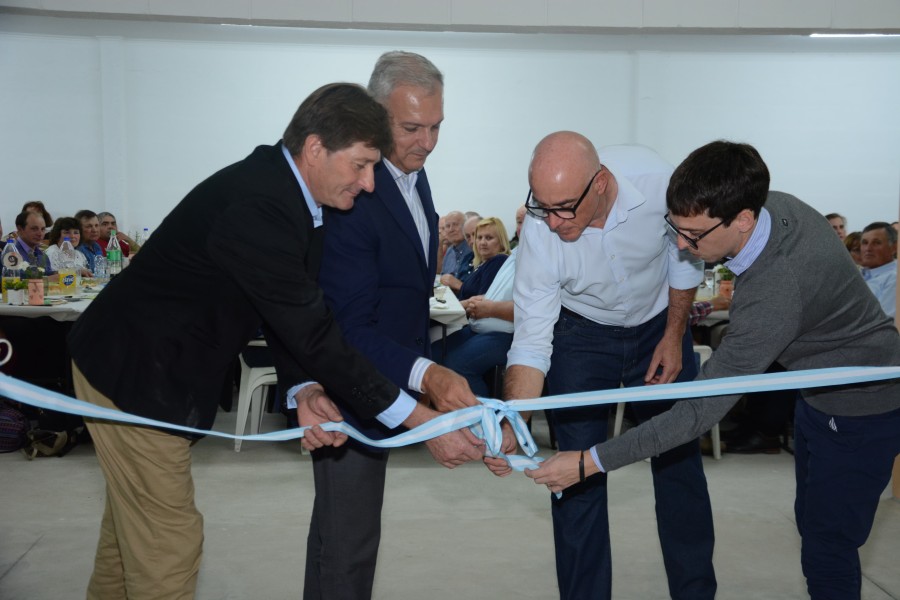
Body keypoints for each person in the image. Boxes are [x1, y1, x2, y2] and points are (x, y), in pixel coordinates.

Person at [66, 82, 482, 600]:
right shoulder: (260, 207)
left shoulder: (292, 195)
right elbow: (316, 331)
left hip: (142, 365)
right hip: (132, 374)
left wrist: (304, 388)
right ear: (314, 149)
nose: (370, 184)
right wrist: (421, 420)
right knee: (167, 547)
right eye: (360, 165)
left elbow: (288, 311)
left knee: (129, 535)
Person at [528, 140, 900, 600]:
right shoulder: (776, 208)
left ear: (742, 219)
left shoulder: (774, 294)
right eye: (676, 229)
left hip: (863, 410)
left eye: (694, 236)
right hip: (818, 399)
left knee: (828, 546)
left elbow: (696, 414)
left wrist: (591, 461)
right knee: (814, 524)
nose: (682, 246)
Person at [498, 132, 715, 600]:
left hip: (660, 323)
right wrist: (515, 419)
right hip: (581, 334)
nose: (552, 222)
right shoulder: (540, 228)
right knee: (574, 475)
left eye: (564, 208)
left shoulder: (657, 182)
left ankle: (695, 592)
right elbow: (532, 339)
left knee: (679, 465)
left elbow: (685, 257)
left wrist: (674, 336)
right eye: (542, 207)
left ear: (601, 183)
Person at [308, 52, 489, 600]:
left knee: (344, 542)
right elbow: (348, 326)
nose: (427, 142)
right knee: (348, 546)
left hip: (393, 373)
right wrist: (428, 378)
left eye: (436, 127)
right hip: (354, 389)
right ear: (372, 116)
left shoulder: (415, 176)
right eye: (412, 128)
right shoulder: (352, 196)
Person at [434, 245, 517, 397]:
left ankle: (484, 417)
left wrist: (490, 308)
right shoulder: (516, 255)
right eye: (477, 237)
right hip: (479, 326)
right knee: (434, 352)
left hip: (508, 333)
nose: (481, 243)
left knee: (457, 364)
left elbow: (533, 309)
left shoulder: (502, 259)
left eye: (488, 238)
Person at [859, 221, 897, 318]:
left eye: (876, 243)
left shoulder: (894, 279)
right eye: (865, 243)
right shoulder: (857, 274)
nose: (868, 248)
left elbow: (883, 323)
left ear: (894, 247)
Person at [14, 210, 55, 275]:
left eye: (43, 229)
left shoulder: (43, 256)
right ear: (20, 230)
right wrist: (48, 279)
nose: (40, 234)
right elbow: (12, 279)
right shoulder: (10, 254)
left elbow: (47, 274)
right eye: (34, 229)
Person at [438, 210, 469, 275]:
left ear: (466, 226)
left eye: (455, 225)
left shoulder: (473, 249)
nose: (451, 229)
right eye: (448, 226)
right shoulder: (449, 251)